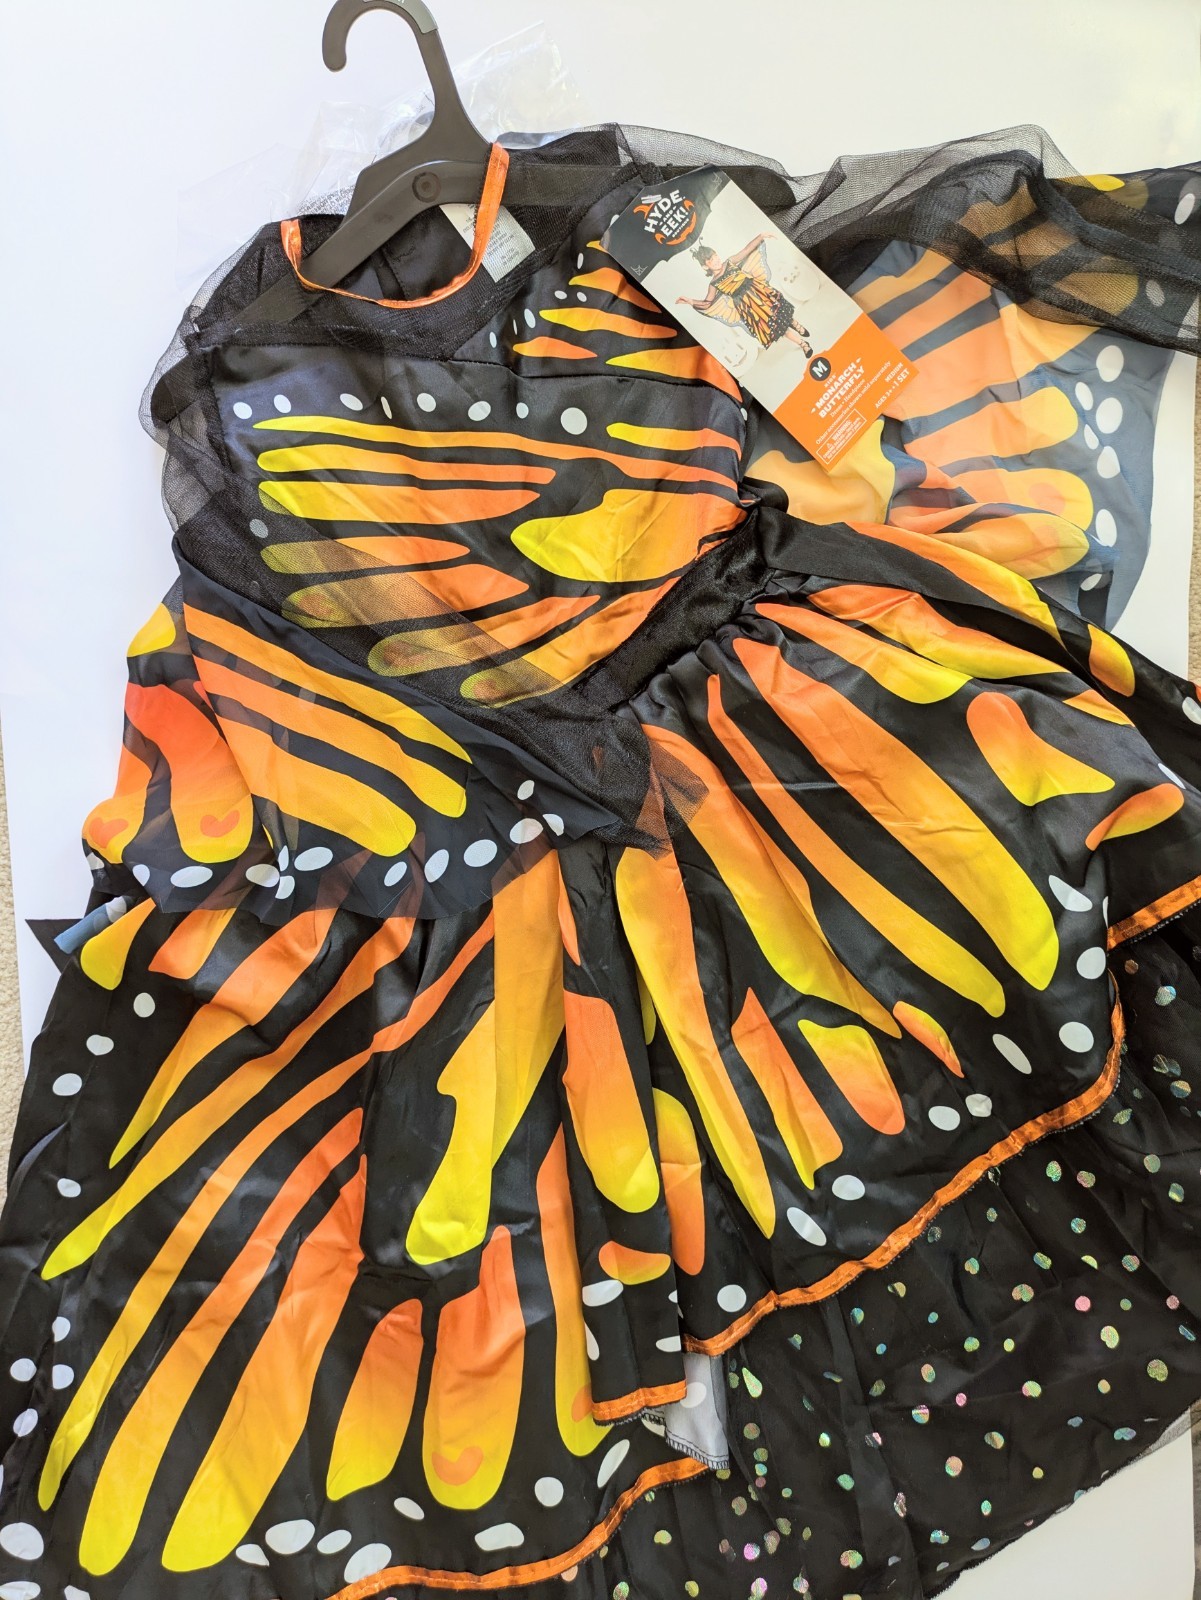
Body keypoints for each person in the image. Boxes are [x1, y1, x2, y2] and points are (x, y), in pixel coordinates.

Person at [677, 233, 814, 354]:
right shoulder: (713, 284)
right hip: (749, 306)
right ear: (705, 266)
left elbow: (746, 250)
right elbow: (708, 303)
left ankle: (797, 326)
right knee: (776, 326)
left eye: (715, 256)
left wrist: (760, 236)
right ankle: (802, 344)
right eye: (710, 260)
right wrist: (691, 301)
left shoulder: (729, 262)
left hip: (759, 291)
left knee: (780, 313)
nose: (716, 260)